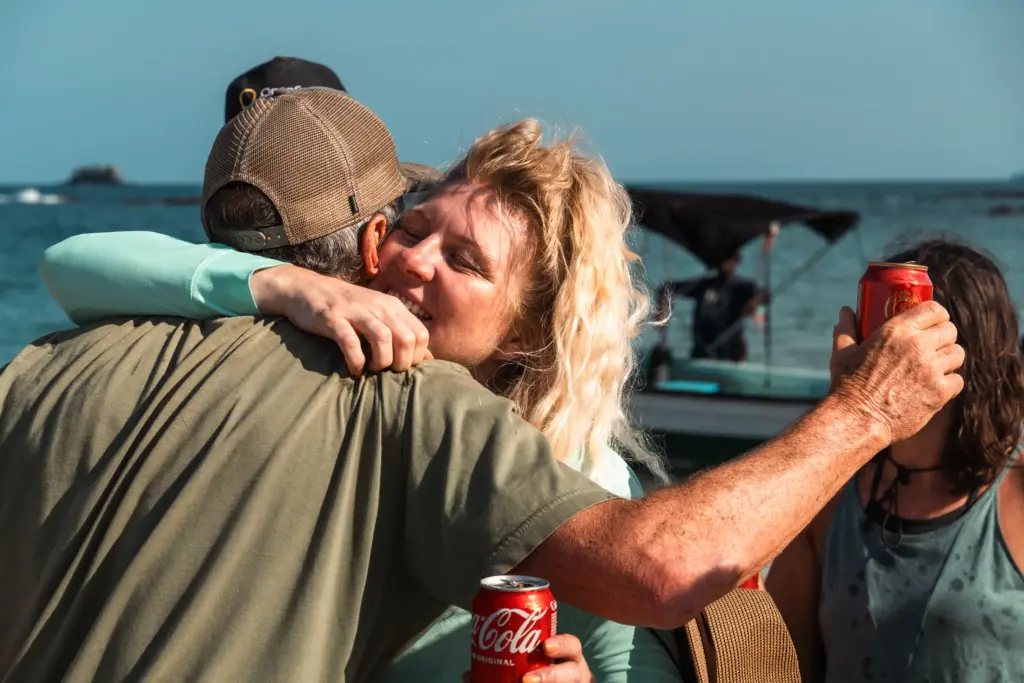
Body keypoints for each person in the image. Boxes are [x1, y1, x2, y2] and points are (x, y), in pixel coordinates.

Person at [3, 87, 964, 683]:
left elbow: (651, 609)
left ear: (531, 329)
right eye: (414, 227)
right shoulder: (339, 373)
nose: (413, 260)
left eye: (464, 261)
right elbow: (82, 260)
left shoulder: (577, 470)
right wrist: (269, 281)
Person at [766, 239, 1024, 683]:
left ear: (966, 352)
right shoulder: (826, 501)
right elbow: (779, 666)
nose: (879, 355)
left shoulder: (1017, 495)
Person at [657, 252, 764, 362]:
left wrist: (757, 309)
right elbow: (666, 289)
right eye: (721, 259)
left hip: (731, 352)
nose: (724, 263)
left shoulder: (745, 287)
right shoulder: (703, 285)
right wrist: (663, 313)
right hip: (701, 350)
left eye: (728, 259)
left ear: (737, 261)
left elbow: (763, 300)